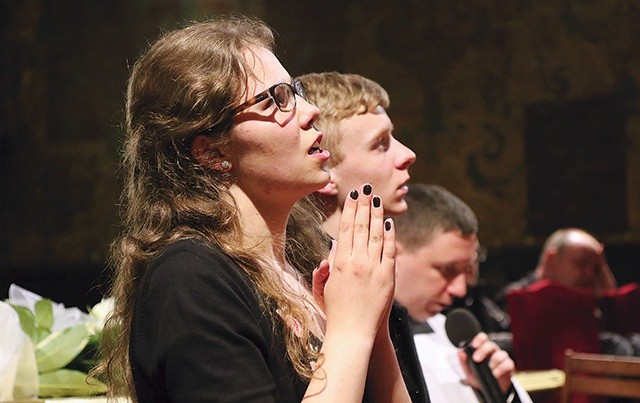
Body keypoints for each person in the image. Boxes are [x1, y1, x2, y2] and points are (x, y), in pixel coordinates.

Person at [95, 17, 411, 402]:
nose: (310, 111)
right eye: (277, 99)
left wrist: (373, 327)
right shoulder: (191, 279)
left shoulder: (314, 259)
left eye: (296, 92)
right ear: (212, 150)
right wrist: (352, 329)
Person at [297, 72, 428, 402]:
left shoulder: (371, 274)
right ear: (324, 167)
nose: (407, 154)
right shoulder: (303, 286)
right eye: (380, 144)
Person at [393, 183, 531, 402]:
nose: (460, 289)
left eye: (466, 271)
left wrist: (502, 392)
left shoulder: (448, 333)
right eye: (447, 270)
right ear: (393, 252)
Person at [494, 227, 637, 356]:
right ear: (552, 260)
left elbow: (613, 304)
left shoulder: (587, 296)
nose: (590, 273)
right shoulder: (514, 299)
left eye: (595, 267)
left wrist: (602, 266)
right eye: (581, 262)